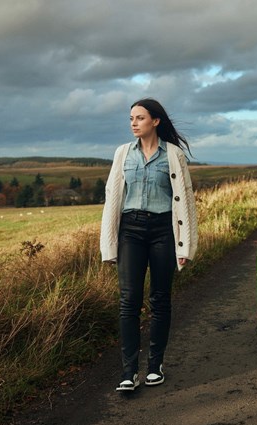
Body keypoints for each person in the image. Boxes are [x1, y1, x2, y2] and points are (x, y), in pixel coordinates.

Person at [100, 98, 198, 392]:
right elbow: (112, 199)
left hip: (162, 231)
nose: (133, 123)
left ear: (155, 121)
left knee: (160, 299)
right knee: (129, 301)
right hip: (130, 230)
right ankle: (128, 372)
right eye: (131, 118)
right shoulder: (122, 154)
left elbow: (186, 201)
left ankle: (155, 366)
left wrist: (186, 247)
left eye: (139, 118)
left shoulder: (173, 155)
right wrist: (109, 244)